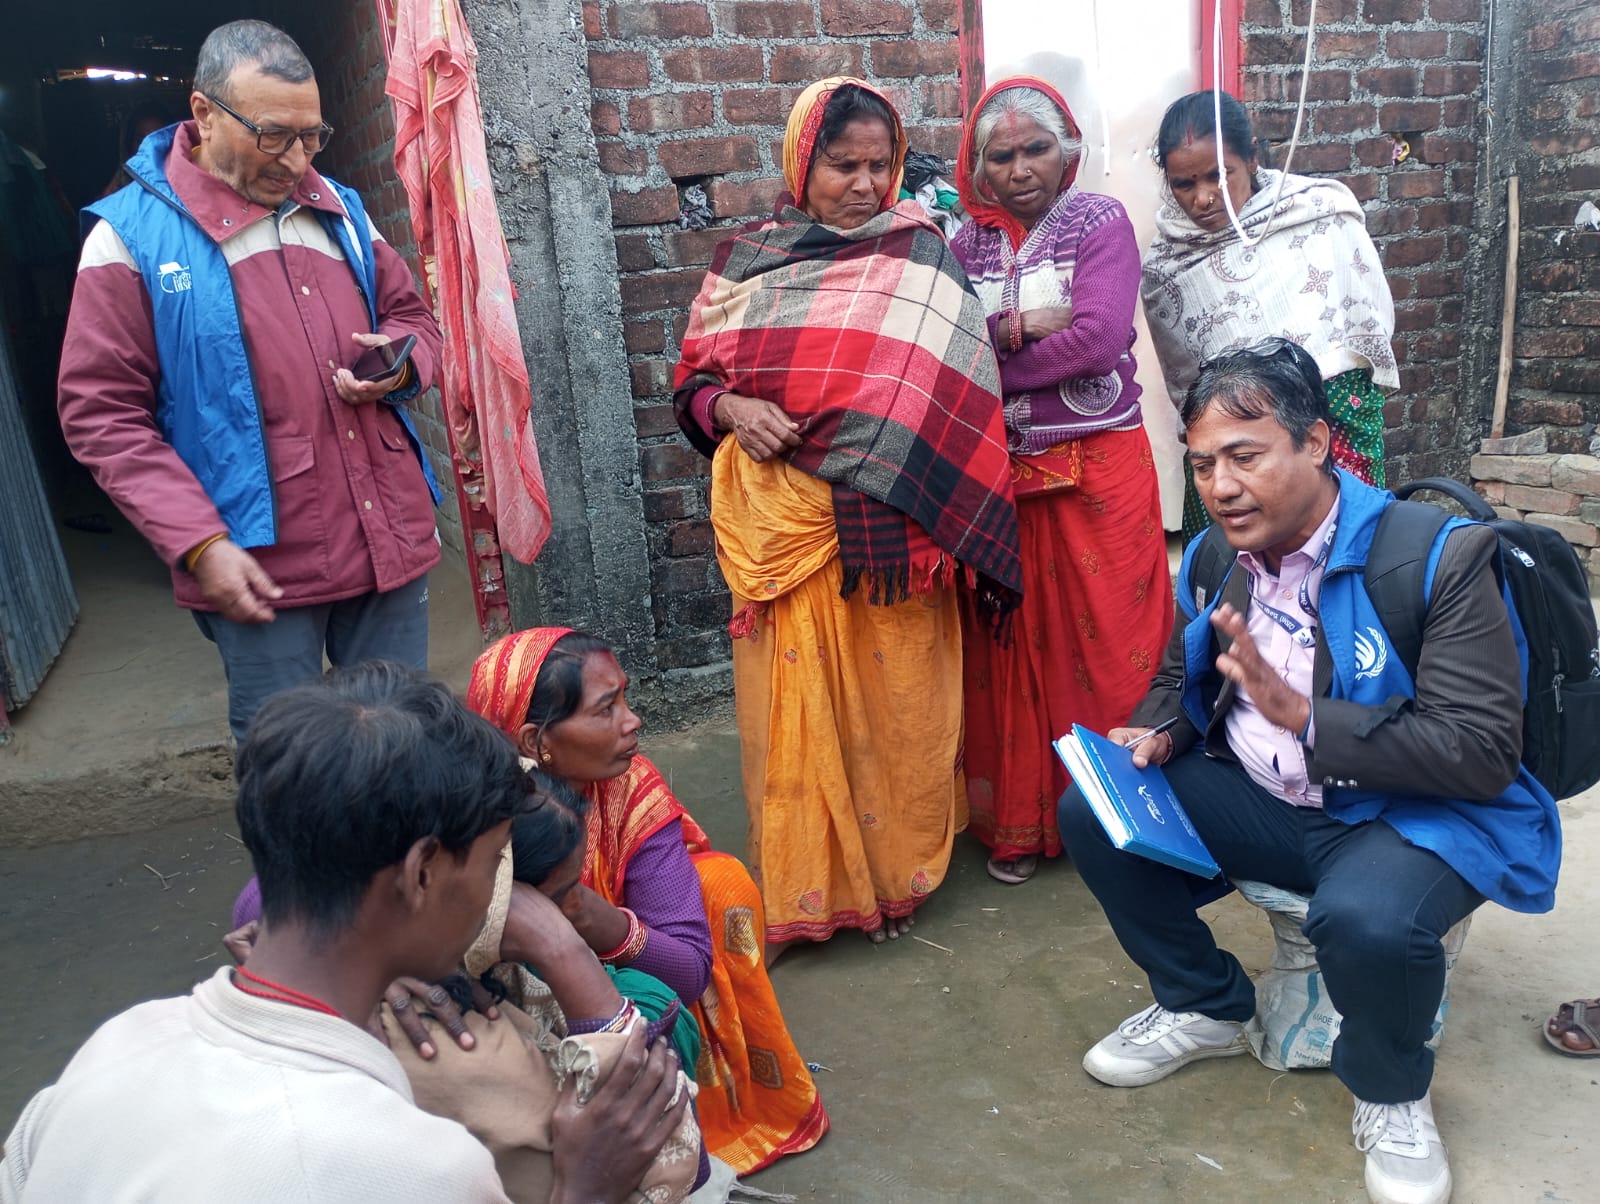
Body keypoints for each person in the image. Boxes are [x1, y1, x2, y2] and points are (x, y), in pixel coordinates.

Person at [1055, 341, 1561, 1204]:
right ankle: (1205, 1003)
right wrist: (1163, 732)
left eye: (1245, 456)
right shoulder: (1216, 559)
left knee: (1366, 919)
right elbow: (1183, 675)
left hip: (1407, 815)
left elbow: (1479, 751)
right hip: (1268, 798)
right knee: (1093, 807)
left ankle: (1391, 1090)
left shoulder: (1437, 558)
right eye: (1203, 465)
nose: (1221, 486)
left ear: (1318, 442)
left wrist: (1307, 716)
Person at [1, 662, 690, 1203]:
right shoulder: (411, 1168)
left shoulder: (115, 1048)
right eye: (495, 864)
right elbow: (672, 1153)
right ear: (422, 873)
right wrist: (584, 1192)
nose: (503, 899)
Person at [672, 77, 1022, 950]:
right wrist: (731, 409)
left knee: (901, 707)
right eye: (841, 165)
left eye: (879, 165)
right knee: (798, 709)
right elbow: (693, 383)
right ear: (802, 164)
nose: (865, 185)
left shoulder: (923, 255)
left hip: (895, 534)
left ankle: (895, 877)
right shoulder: (745, 260)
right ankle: (814, 885)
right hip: (782, 521)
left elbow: (958, 393)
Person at [58, 20, 445, 743]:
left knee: (406, 748)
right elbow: (101, 414)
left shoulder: (341, 210)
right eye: (272, 135)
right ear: (204, 114)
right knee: (293, 766)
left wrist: (401, 362)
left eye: (311, 136)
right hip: (258, 561)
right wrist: (199, 542)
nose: (296, 160)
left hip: (387, 531)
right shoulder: (129, 237)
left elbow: (414, 317)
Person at [468, 627, 830, 1175]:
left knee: (721, 885)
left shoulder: (629, 789)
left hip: (608, 985)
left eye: (625, 698)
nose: (632, 720)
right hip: (495, 1008)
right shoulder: (463, 818)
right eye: (605, 709)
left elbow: (689, 971)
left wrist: (585, 914)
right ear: (534, 741)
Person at [951, 76, 1173, 884]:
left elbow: (1099, 339)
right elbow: (945, 348)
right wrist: (1018, 325)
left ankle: (1130, 819)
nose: (1020, 170)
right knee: (1012, 647)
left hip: (1099, 469)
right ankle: (1025, 823)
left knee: (1110, 642)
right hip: (1000, 475)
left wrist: (990, 354)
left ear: (1068, 149)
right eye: (1001, 155)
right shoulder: (962, 245)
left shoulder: (1099, 221)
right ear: (977, 166)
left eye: (1037, 149)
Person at [1142, 90, 1397, 542]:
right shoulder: (1167, 266)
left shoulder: (1318, 216)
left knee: (1339, 547)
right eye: (1184, 184)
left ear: (1252, 158)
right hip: (1229, 439)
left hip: (1328, 417)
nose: (1203, 198)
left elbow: (1361, 332)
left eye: (1219, 175)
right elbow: (1190, 391)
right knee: (1236, 562)